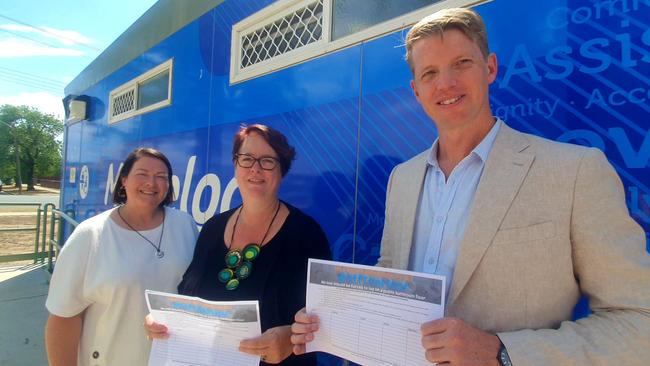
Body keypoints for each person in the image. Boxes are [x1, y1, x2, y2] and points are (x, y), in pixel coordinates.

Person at [291, 7, 650, 365]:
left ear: (490, 68)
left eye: (461, 63)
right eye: (430, 73)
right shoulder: (403, 179)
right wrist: (331, 321)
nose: (445, 84)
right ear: (416, 91)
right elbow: (393, 285)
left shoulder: (575, 172)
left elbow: (638, 321)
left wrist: (503, 353)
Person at [145, 124, 332, 366]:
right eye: (246, 159)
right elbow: (187, 297)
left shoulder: (307, 234)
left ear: (281, 170)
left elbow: (327, 316)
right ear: (235, 165)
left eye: (267, 161)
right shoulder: (213, 229)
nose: (255, 168)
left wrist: (290, 339)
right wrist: (161, 321)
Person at [44, 148, 199, 366]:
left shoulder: (185, 225)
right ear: (124, 181)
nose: (151, 183)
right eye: (142, 174)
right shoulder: (90, 235)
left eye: (161, 177)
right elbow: (63, 317)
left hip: (173, 359)